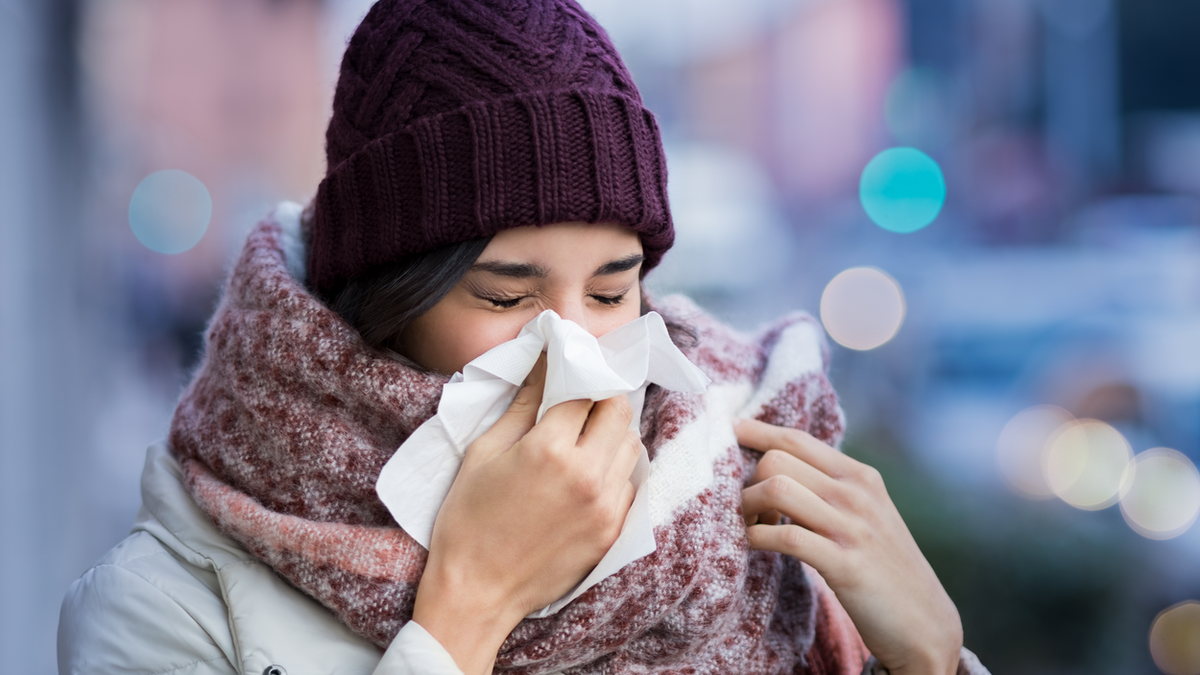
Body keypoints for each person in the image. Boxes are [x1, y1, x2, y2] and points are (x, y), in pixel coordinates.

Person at [58, 2, 989, 674]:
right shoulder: (167, 606)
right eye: (507, 297)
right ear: (382, 299)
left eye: (613, 288)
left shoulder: (745, 494)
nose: (577, 349)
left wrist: (934, 663)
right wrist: (467, 610)